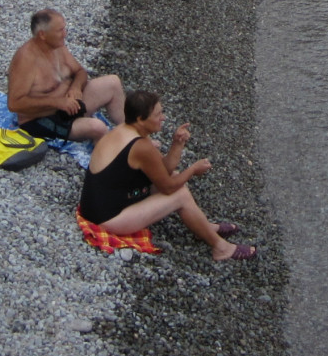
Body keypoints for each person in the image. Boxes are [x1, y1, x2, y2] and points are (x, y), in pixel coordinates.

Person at [80, 90, 254, 262]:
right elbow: (168, 187)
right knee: (180, 194)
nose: (163, 117)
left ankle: (204, 227)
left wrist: (177, 144)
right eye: (158, 114)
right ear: (140, 119)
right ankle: (220, 248)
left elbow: (163, 171)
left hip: (100, 204)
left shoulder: (125, 131)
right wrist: (193, 170)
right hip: (106, 218)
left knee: (177, 178)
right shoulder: (141, 146)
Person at [7, 10, 124, 143]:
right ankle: (107, 159)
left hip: (70, 106)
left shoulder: (57, 47)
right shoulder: (26, 59)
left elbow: (80, 72)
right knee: (98, 127)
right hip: (42, 119)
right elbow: (14, 104)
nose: (65, 34)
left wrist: (75, 88)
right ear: (42, 35)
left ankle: (132, 135)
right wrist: (57, 102)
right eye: (60, 30)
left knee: (113, 82)